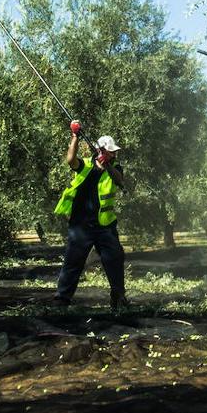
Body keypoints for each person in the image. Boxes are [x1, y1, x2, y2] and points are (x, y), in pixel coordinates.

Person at [51, 120, 128, 310]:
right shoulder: (84, 165)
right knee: (73, 262)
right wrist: (75, 136)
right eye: (111, 151)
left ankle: (118, 297)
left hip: (105, 226)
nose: (114, 153)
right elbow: (70, 159)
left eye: (114, 151)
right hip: (81, 225)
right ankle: (62, 300)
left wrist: (107, 164)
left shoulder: (115, 168)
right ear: (101, 150)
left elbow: (119, 180)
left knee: (115, 259)